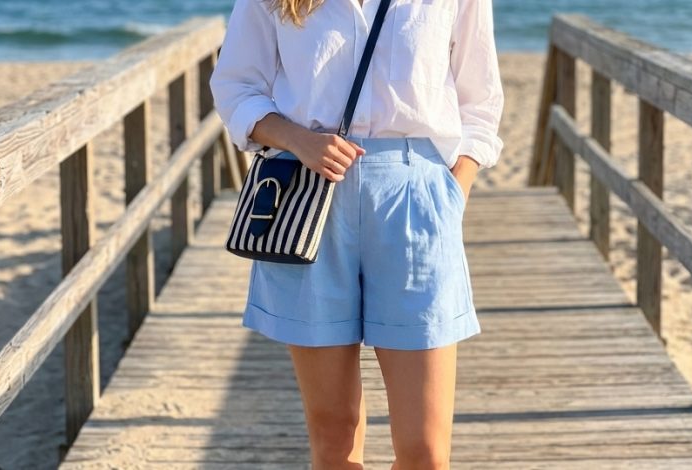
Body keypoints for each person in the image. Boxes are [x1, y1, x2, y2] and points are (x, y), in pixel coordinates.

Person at [209, 0, 503, 466]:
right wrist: (297, 139)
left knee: (426, 451)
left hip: (415, 201)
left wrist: (454, 192)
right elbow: (235, 87)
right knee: (334, 436)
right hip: (308, 199)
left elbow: (481, 102)